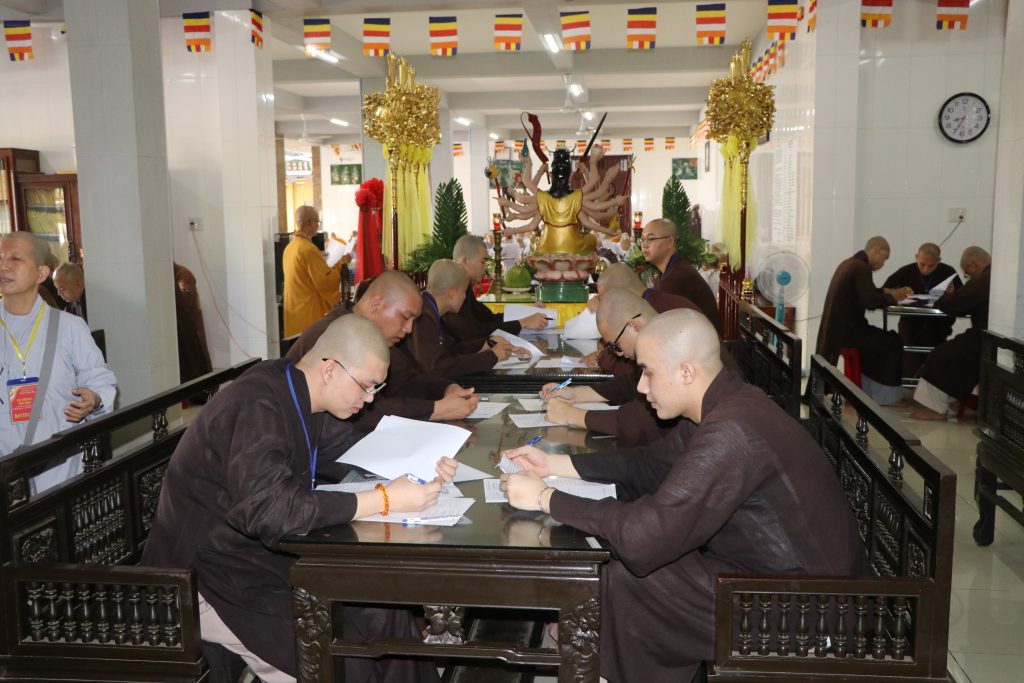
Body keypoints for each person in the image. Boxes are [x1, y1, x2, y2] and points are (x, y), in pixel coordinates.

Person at [500, 309, 868, 683]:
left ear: (687, 372)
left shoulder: (730, 431)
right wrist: (553, 465)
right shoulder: (727, 403)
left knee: (625, 572)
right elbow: (647, 465)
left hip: (804, 610)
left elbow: (645, 537)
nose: (641, 387)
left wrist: (547, 499)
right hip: (772, 581)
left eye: (648, 372)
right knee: (623, 566)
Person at [142, 314, 453, 683]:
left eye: (376, 388)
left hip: (262, 557)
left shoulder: (304, 394)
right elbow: (271, 509)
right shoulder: (257, 403)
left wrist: (423, 466)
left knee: (383, 611)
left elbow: (349, 454)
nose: (370, 399)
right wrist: (383, 499)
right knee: (340, 663)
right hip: (206, 577)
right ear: (330, 369)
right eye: (366, 386)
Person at [0, 233, 116, 493]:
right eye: (0, 258)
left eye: (15, 258)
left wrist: (94, 398)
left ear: (41, 273)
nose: (4, 265)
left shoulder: (69, 327)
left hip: (58, 463)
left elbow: (100, 380)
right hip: (4, 466)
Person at [286, 270, 479, 425]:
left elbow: (406, 380)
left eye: (413, 320)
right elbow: (360, 414)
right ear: (376, 304)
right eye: (405, 317)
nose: (409, 329)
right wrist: (437, 410)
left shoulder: (376, 336)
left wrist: (445, 388)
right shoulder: (333, 335)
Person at [542, 290, 677, 447]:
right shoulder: (657, 341)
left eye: (615, 345)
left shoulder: (671, 348)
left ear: (635, 326)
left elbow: (642, 422)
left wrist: (571, 415)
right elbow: (630, 384)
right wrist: (576, 394)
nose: (617, 353)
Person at [816, 236, 913, 405]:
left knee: (882, 340)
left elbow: (865, 294)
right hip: (849, 332)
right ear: (877, 250)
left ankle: (867, 390)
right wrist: (894, 296)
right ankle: (887, 397)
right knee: (894, 342)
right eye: (884, 258)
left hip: (838, 330)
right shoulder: (861, 268)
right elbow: (870, 301)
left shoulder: (848, 264)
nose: (883, 264)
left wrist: (885, 292)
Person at [402, 260, 524, 378]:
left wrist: (487, 342)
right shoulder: (422, 315)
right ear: (452, 293)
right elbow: (437, 367)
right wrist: (492, 356)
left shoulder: (432, 309)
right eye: (464, 291)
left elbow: (452, 349)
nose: (465, 297)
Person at [912, 246, 991, 420]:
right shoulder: (995, 276)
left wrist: (945, 297)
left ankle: (936, 409)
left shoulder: (983, 280)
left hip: (984, 336)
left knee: (940, 356)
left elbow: (954, 304)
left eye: (968, 274)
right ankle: (955, 399)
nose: (969, 278)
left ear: (972, 265)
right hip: (989, 335)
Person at [444, 234, 547, 342]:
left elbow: (489, 317)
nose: (486, 267)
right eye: (482, 262)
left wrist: (526, 312)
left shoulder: (465, 288)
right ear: (464, 261)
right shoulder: (451, 291)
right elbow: (475, 332)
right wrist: (523, 323)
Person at [639, 218, 720, 330]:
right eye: (642, 239)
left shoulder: (678, 276)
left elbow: (654, 320)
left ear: (670, 242)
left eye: (651, 239)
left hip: (704, 338)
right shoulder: (674, 268)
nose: (644, 245)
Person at [882, 242, 961, 348]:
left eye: (931, 266)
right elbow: (885, 290)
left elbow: (962, 298)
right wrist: (899, 292)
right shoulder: (906, 271)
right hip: (910, 328)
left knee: (937, 356)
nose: (926, 269)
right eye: (922, 264)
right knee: (909, 356)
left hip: (939, 328)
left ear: (938, 260)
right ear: (917, 257)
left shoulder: (948, 272)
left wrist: (952, 293)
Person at [282, 205, 341, 337]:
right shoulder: (308, 249)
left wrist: (319, 258)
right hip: (309, 315)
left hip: (295, 313)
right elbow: (326, 282)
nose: (318, 226)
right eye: (318, 222)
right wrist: (340, 263)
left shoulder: (290, 248)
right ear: (311, 223)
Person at [173, 263, 213, 384]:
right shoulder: (177, 273)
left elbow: (185, 301)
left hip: (189, 325)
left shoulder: (182, 274)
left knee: (194, 361)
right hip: (184, 326)